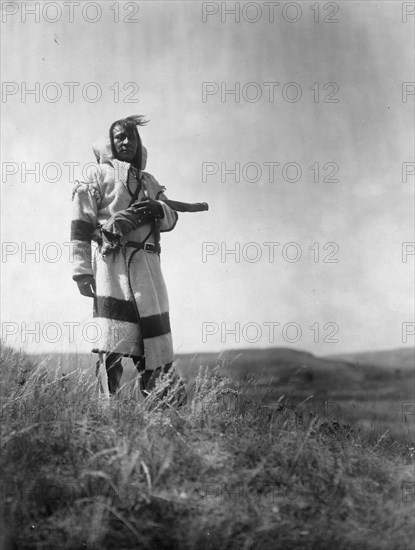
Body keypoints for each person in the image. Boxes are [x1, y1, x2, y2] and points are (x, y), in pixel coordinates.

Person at [71, 115, 182, 400]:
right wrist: (82, 270)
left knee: (154, 343)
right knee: (112, 342)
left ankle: (162, 411)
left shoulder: (149, 181)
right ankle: (109, 413)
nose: (126, 142)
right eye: (120, 136)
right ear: (110, 141)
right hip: (112, 264)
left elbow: (170, 219)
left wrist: (160, 210)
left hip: (148, 266)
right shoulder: (97, 176)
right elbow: (81, 223)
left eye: (132, 137)